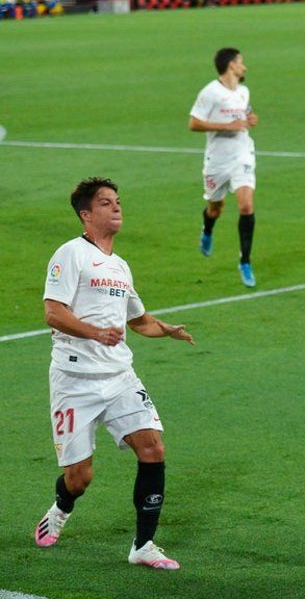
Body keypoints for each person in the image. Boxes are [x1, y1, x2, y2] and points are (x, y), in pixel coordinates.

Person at [35, 177, 195, 570]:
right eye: (106, 203)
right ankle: (61, 507)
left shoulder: (120, 266)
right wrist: (95, 333)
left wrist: (166, 329)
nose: (117, 207)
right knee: (79, 478)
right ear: (86, 215)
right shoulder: (70, 254)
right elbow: (53, 313)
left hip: (120, 376)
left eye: (118, 201)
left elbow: (138, 321)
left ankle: (143, 545)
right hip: (75, 382)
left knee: (153, 448)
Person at [188, 47, 261, 288]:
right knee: (215, 208)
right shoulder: (210, 92)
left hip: (242, 155)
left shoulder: (243, 91)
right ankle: (207, 229)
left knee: (246, 205)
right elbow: (194, 123)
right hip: (217, 161)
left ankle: (245, 261)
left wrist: (250, 119)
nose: (244, 66)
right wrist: (229, 126)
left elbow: (246, 114)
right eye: (241, 62)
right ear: (231, 65)